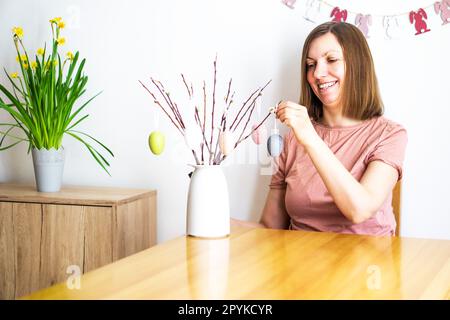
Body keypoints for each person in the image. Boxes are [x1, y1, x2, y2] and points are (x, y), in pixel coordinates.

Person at [234, 21, 407, 236]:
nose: (317, 73)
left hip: (368, 267)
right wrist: (212, 217)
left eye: (331, 60)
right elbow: (270, 230)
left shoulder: (389, 135)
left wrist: (310, 137)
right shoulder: (290, 141)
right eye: (310, 64)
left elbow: (360, 210)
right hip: (302, 265)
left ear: (358, 65)